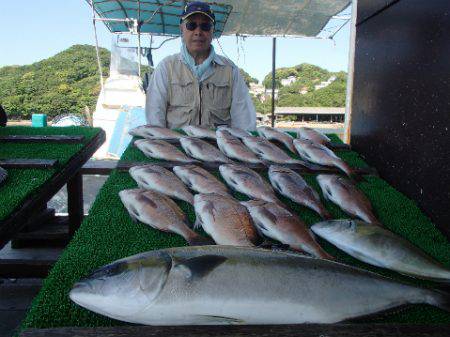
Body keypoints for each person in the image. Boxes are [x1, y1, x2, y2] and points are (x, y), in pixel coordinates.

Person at [145, 1, 256, 130]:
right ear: (182, 29)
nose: (198, 31)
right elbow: (155, 120)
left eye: (205, 26)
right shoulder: (166, 67)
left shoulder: (230, 70)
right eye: (191, 25)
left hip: (218, 147)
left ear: (212, 31)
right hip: (176, 146)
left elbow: (244, 122)